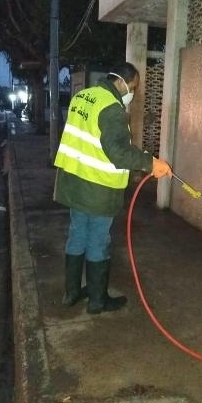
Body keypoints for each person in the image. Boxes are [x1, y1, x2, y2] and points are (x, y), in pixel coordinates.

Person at [53, 62, 172, 314]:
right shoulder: (112, 108)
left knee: (77, 235)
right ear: (120, 81)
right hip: (98, 189)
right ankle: (97, 301)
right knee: (98, 241)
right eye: (133, 87)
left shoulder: (82, 96)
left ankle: (71, 294)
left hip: (74, 184)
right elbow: (118, 152)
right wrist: (152, 163)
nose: (133, 93)